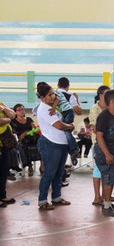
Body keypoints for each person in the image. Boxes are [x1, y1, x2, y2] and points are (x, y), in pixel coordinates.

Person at [35, 82, 73, 210]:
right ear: (42, 97)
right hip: (51, 144)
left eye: (53, 93)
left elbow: (56, 99)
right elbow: (59, 125)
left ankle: (56, 197)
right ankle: (42, 200)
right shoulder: (44, 109)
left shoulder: (52, 106)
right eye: (49, 95)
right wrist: (70, 126)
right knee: (49, 173)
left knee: (58, 173)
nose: (53, 97)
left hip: (60, 143)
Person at [94, 89, 114, 217]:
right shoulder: (104, 116)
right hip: (103, 151)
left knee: (112, 178)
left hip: (112, 150)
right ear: (112, 102)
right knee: (107, 178)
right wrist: (107, 154)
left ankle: (108, 203)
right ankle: (106, 207)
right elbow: (99, 137)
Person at [89, 85, 111, 206]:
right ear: (101, 96)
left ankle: (107, 195)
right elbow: (95, 128)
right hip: (99, 143)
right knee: (98, 170)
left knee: (109, 170)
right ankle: (97, 196)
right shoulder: (95, 109)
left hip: (110, 143)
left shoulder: (109, 108)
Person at [53, 77, 82, 165]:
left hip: (54, 124)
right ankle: (73, 150)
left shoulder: (52, 95)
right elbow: (79, 112)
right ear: (68, 86)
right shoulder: (70, 97)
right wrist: (76, 99)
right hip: (67, 118)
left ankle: (73, 151)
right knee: (66, 130)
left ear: (58, 85)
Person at [11, 103, 39, 176]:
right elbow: (13, 133)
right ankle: (29, 165)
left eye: (22, 109)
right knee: (22, 147)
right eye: (19, 110)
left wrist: (31, 129)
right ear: (15, 112)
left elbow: (35, 129)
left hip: (31, 138)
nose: (21, 111)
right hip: (21, 140)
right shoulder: (13, 121)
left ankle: (42, 166)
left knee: (41, 143)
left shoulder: (29, 119)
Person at [0, 102, 16, 208]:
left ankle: (2, 195)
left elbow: (13, 114)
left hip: (4, 143)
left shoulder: (1, 103)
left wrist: (3, 109)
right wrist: (8, 120)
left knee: (4, 170)